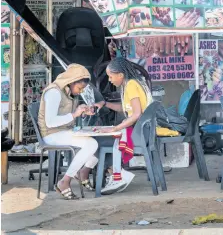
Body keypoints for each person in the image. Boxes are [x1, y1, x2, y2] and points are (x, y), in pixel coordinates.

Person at [38, 64, 98, 200]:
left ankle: (81, 172)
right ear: (70, 82)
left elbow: (70, 115)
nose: (80, 92)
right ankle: (65, 181)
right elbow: (50, 122)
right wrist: (74, 114)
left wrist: (82, 112)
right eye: (79, 88)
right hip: (51, 135)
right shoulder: (54, 92)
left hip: (64, 132)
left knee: (98, 141)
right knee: (91, 144)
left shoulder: (69, 92)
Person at [94, 58, 153, 194]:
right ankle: (117, 173)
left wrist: (116, 128)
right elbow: (126, 109)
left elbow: (136, 114)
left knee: (107, 139)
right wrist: (105, 104)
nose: (109, 80)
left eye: (110, 76)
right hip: (144, 129)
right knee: (113, 135)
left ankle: (117, 175)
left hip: (141, 132)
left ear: (120, 75)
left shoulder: (131, 85)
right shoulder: (131, 84)